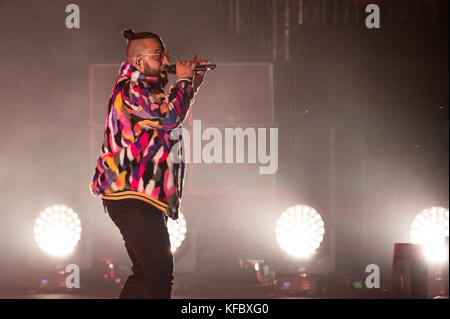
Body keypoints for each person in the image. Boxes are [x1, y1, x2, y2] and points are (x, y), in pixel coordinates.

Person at [89, 29, 208, 298]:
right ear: (138, 61)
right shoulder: (131, 88)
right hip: (130, 195)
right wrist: (185, 81)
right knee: (158, 272)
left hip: (142, 196)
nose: (165, 59)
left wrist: (191, 85)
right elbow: (169, 118)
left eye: (164, 53)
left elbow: (167, 113)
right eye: (157, 55)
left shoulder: (147, 91)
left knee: (147, 273)